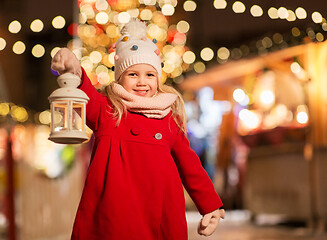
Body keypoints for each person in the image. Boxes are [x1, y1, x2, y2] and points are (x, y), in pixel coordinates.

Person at [51, 19, 225, 240]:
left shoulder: (169, 117)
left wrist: (209, 204)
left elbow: (189, 163)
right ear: (120, 77)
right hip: (114, 214)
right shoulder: (108, 111)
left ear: (158, 77)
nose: (142, 81)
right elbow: (86, 97)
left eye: (149, 75)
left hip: (159, 212)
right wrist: (74, 70)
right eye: (133, 74)